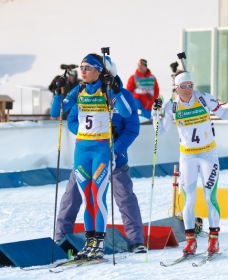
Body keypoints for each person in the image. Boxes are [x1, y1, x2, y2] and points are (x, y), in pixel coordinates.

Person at [152, 70, 228, 257]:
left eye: (190, 85)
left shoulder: (204, 99)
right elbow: (159, 132)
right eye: (184, 86)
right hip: (187, 158)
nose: (188, 89)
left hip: (208, 155)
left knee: (210, 198)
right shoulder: (171, 107)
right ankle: (190, 242)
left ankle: (214, 240)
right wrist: (154, 112)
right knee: (188, 201)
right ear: (177, 88)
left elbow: (224, 114)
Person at [54, 57, 147, 254]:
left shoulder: (123, 95)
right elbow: (72, 120)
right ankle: (61, 238)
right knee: (72, 197)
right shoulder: (84, 92)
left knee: (125, 198)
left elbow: (132, 128)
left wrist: (115, 147)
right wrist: (87, 132)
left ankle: (136, 240)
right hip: (88, 152)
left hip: (116, 156)